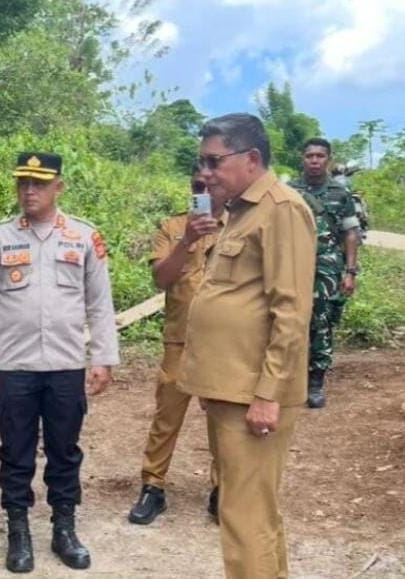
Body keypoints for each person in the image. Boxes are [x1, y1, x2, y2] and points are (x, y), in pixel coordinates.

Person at [180, 114, 316, 579]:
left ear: (251, 158)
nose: (206, 172)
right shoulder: (240, 211)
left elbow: (291, 311)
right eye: (202, 162)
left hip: (252, 393)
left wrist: (267, 395)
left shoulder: (281, 209)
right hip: (230, 387)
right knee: (252, 512)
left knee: (243, 516)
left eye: (214, 161)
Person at [0, 152, 119, 573]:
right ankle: (18, 530)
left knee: (64, 450)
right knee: (15, 452)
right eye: (23, 183)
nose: (29, 191)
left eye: (39, 183)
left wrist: (103, 357)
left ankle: (63, 527)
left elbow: (99, 303)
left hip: (65, 365)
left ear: (59, 187)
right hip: (13, 366)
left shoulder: (83, 236)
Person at [128, 163, 223, 525]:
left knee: (222, 418)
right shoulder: (171, 228)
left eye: (210, 185)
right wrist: (187, 241)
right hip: (179, 340)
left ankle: (223, 488)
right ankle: (152, 487)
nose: (204, 192)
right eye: (198, 186)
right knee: (166, 417)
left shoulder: (241, 226)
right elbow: (162, 279)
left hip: (225, 342)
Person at [288, 138, 361, 408]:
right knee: (288, 316)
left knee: (321, 319)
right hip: (292, 264)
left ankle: (316, 381)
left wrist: (350, 272)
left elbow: (350, 233)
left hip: (327, 267)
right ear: (303, 159)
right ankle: (289, 376)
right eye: (310, 156)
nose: (314, 160)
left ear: (328, 160)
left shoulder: (340, 194)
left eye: (320, 156)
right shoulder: (289, 191)